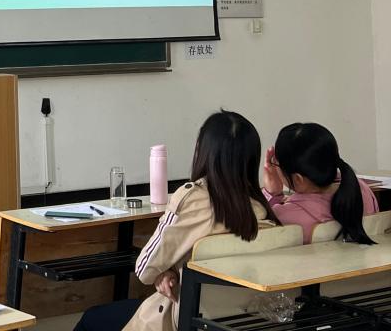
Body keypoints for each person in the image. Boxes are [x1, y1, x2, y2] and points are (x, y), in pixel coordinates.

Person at [75, 111, 275, 331]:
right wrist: (173, 270)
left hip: (188, 318)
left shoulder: (191, 198)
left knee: (92, 319)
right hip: (244, 321)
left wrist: (166, 271)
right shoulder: (262, 209)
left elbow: (145, 268)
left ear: (202, 150)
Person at [263, 122, 377, 245]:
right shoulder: (362, 190)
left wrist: (271, 194)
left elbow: (259, 230)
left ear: (298, 179)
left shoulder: (285, 215)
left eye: (276, 163)